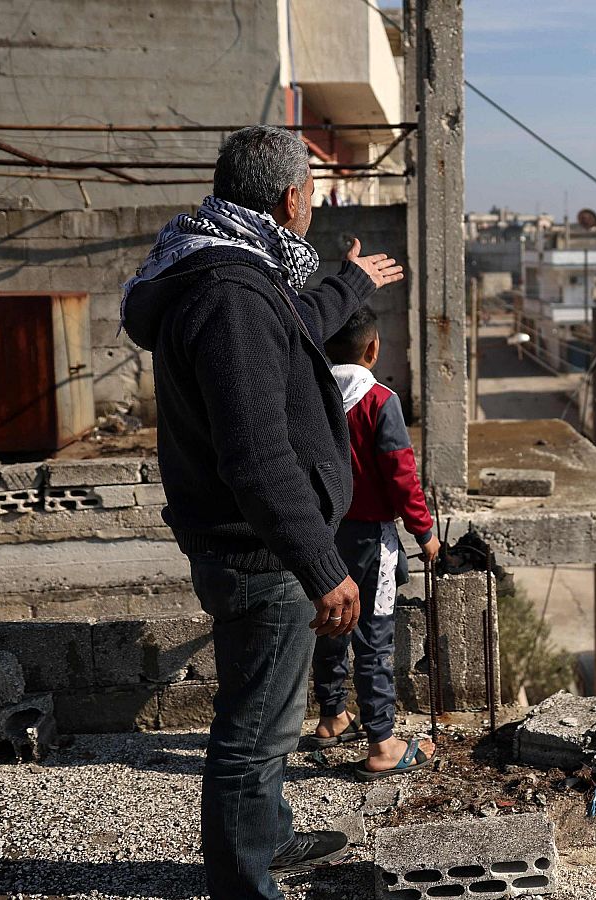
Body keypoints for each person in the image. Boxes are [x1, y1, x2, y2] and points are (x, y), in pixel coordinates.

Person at [120, 125, 404, 899]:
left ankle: (268, 836)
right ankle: (245, 882)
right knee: (255, 732)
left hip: (252, 543)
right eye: (310, 193)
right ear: (290, 199)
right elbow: (255, 453)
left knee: (272, 716)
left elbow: (295, 336)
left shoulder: (230, 270)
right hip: (261, 551)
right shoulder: (232, 292)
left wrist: (348, 284)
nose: (310, 205)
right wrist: (321, 564)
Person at [309, 306, 441, 779]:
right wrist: (423, 531)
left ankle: (332, 716)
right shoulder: (381, 401)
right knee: (373, 638)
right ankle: (383, 742)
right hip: (371, 537)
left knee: (331, 623)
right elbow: (401, 473)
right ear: (373, 348)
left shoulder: (308, 396)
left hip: (320, 536)